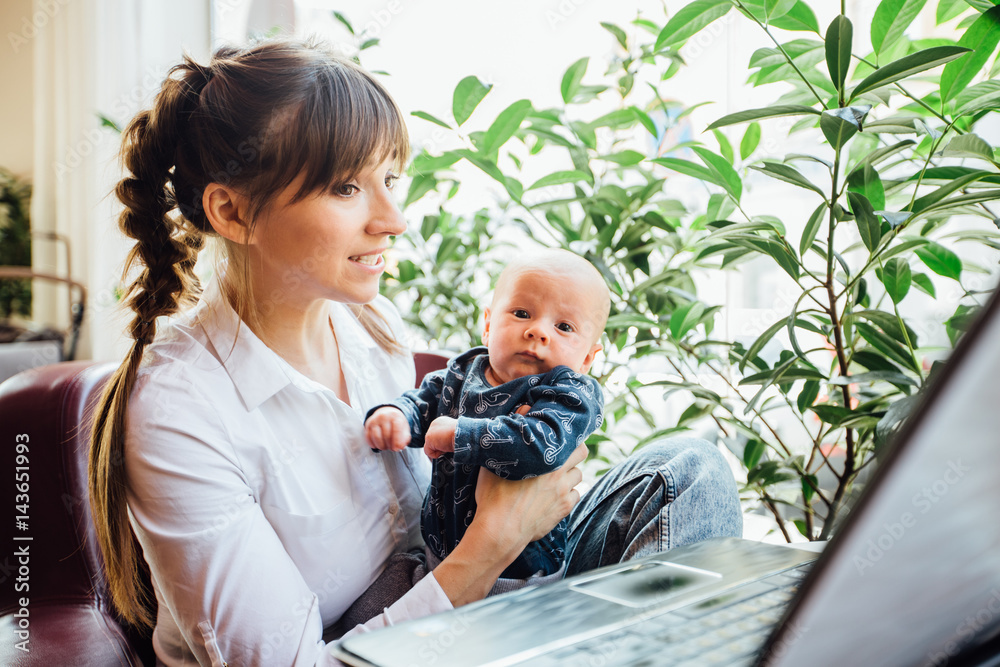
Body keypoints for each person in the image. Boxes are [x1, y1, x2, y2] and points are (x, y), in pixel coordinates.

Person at [87, 39, 743, 667]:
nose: (393, 218)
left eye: (390, 179)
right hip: (373, 641)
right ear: (233, 212)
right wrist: (496, 540)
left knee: (688, 468)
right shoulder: (180, 408)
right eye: (346, 187)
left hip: (453, 594)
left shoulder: (370, 322)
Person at [365, 250, 609, 581]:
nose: (538, 331)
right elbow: (425, 400)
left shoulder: (568, 394)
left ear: (587, 359)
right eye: (522, 313)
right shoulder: (465, 371)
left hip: (522, 576)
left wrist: (459, 435)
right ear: (489, 325)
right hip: (439, 558)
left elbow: (541, 445)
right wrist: (397, 416)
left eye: (564, 326)